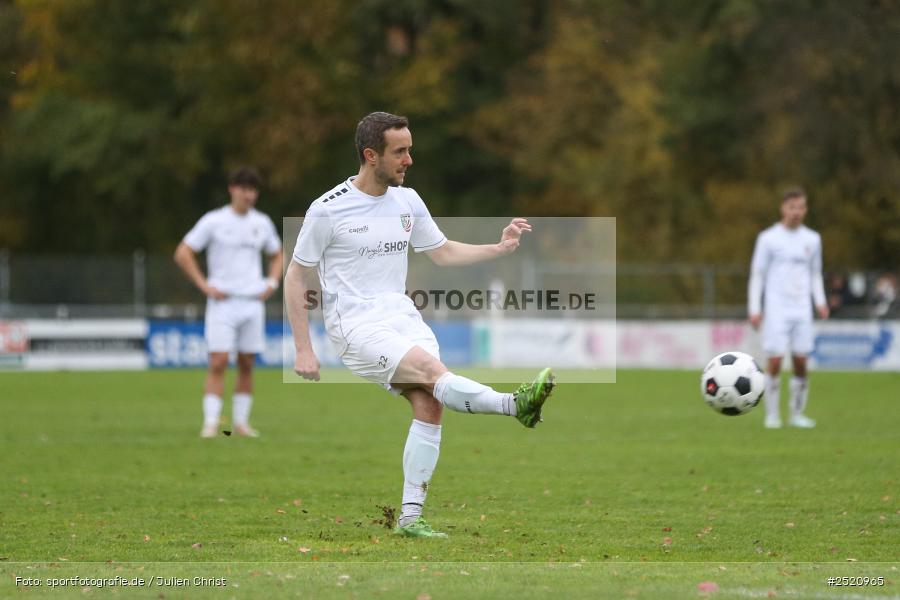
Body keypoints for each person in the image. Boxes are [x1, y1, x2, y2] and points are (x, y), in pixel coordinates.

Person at [284, 112, 555, 539]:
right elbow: (296, 275)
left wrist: (501, 249)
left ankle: (410, 519)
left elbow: (442, 252)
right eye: (400, 151)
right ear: (371, 155)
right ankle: (513, 405)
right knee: (434, 375)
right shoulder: (328, 210)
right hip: (356, 327)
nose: (409, 159)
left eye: (410, 149)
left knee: (431, 403)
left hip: (402, 317)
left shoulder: (408, 201)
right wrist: (303, 347)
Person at [174, 166, 283, 438]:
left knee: (247, 363)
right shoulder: (214, 221)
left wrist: (271, 283)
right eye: (245, 189)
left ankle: (241, 424)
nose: (249, 195)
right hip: (223, 302)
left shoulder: (262, 223)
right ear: (232, 189)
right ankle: (211, 423)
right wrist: (203, 285)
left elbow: (277, 254)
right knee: (219, 361)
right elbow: (183, 252)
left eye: (254, 190)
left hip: (252, 302)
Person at [748, 187, 828, 429]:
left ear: (806, 209)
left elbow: (815, 274)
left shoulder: (813, 239)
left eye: (801, 207)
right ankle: (772, 415)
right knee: (775, 360)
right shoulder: (768, 238)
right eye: (792, 207)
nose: (796, 212)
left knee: (801, 361)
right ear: (783, 208)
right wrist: (754, 307)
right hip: (776, 308)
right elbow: (758, 275)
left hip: (801, 308)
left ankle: (796, 414)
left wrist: (820, 301)